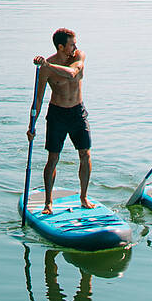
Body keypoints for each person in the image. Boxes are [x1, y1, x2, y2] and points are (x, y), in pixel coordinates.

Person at [28, 27, 93, 214]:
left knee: (85, 154)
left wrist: (46, 66)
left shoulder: (78, 56)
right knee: (53, 158)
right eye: (72, 44)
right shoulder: (46, 68)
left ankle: (84, 197)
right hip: (57, 114)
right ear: (61, 46)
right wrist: (31, 126)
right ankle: (48, 202)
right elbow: (38, 99)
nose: (76, 47)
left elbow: (72, 73)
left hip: (78, 113)